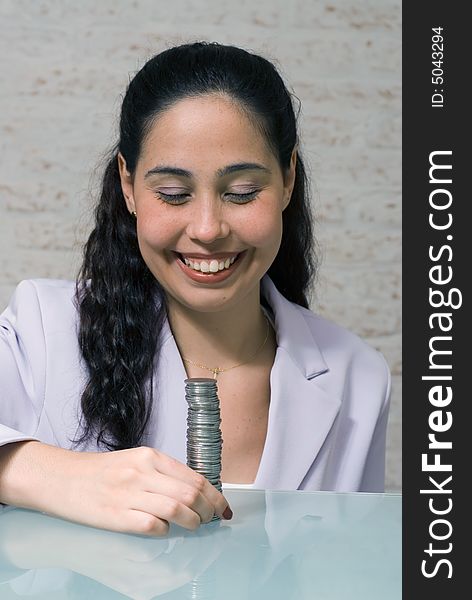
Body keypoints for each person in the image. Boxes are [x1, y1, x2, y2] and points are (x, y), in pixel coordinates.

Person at [0, 41, 391, 537]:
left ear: (288, 179)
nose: (208, 228)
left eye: (242, 193)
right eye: (174, 194)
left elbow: (350, 570)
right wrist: (60, 477)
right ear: (128, 183)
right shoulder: (44, 327)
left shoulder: (358, 377)